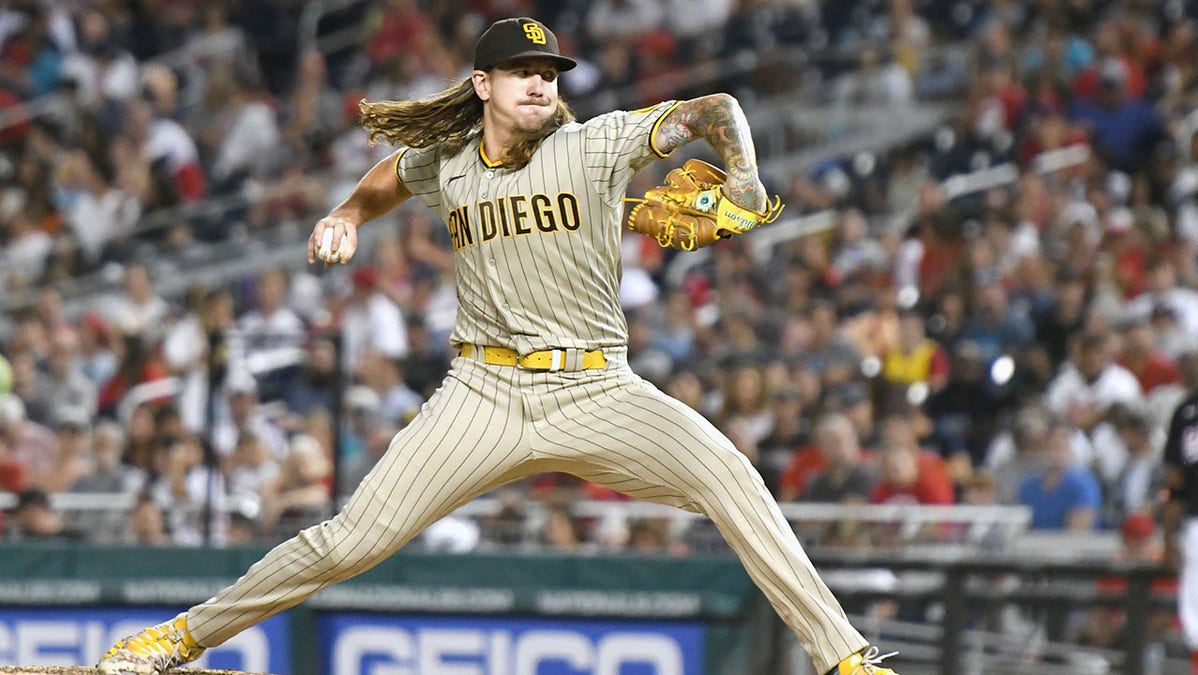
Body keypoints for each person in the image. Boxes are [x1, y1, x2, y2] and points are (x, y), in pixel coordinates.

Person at [98, 17, 898, 675]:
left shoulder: (594, 145)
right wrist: (345, 214)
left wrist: (745, 179)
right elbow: (386, 178)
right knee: (350, 540)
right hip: (484, 393)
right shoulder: (447, 160)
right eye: (521, 70)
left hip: (597, 390)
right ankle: (180, 636)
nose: (541, 82)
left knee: (731, 476)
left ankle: (845, 660)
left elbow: (715, 109)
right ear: (484, 85)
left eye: (548, 71)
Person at [1164, 351, 1198, 674]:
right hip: (1197, 522)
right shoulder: (1188, 412)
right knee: (1197, 618)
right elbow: (1174, 480)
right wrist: (1168, 535)